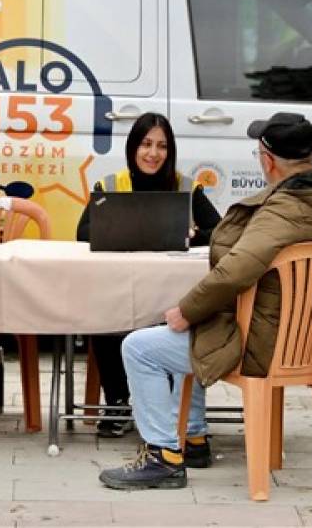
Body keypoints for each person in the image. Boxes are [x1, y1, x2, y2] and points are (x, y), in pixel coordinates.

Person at [98, 112, 312, 490]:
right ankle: (191, 437)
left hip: (257, 346)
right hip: (303, 347)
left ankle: (163, 458)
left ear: (267, 159)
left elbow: (236, 270)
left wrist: (186, 311)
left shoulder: (284, 210)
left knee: (141, 347)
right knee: (191, 330)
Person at [76, 113, 220, 443]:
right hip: (120, 287)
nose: (153, 153)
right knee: (105, 317)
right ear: (133, 148)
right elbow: (83, 231)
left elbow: (220, 230)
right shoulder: (110, 186)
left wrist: (189, 235)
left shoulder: (186, 187)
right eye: (145, 144)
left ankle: (166, 407)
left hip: (170, 294)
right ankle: (117, 405)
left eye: (161, 146)